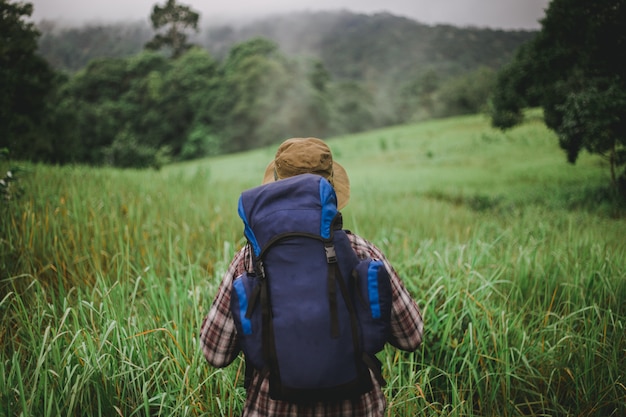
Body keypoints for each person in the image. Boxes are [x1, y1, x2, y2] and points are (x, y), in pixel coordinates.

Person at [200, 137, 423, 417]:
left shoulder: (248, 259)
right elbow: (411, 337)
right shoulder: (362, 251)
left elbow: (215, 353)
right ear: (331, 192)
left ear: (276, 189)